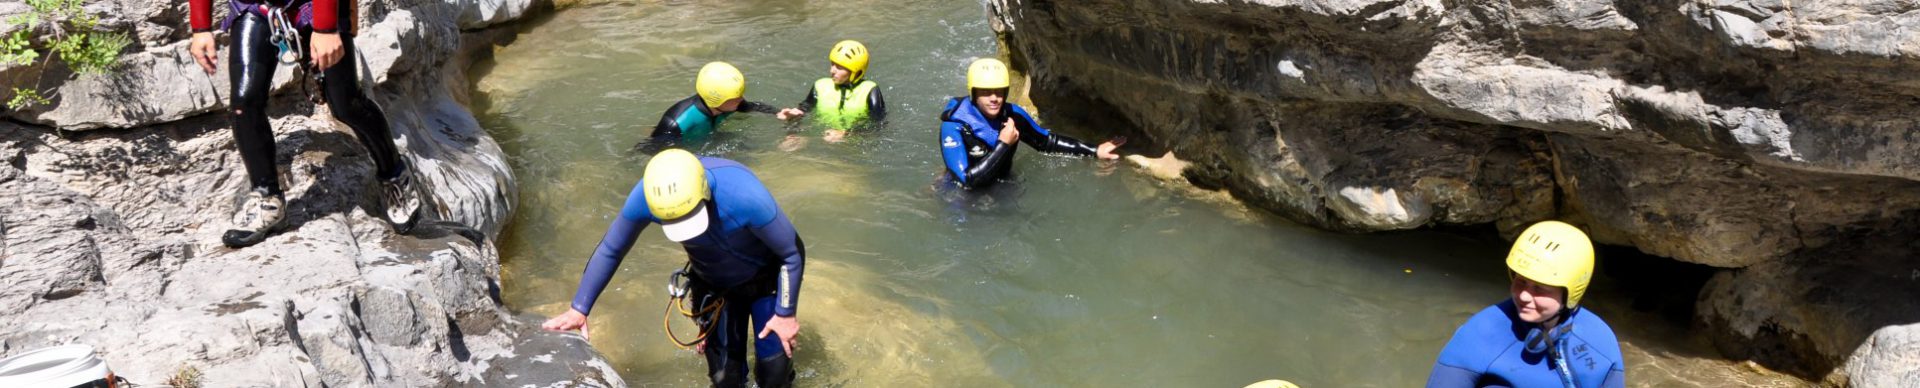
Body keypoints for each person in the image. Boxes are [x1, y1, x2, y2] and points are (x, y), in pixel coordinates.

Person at [542, 149, 806, 388]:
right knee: (724, 380)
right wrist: (580, 308)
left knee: (775, 377)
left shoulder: (745, 195)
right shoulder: (646, 196)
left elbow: (792, 252)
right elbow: (612, 249)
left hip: (767, 282)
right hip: (715, 285)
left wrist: (785, 314)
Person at [188, 0, 423, 247]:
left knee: (346, 104)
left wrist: (325, 28)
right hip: (254, 6)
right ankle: (266, 197)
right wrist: (200, 26)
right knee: (243, 102)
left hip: (317, 6)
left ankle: (394, 171)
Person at [1427, 221, 1627, 388]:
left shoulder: (1600, 342)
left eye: (1539, 288)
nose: (1523, 296)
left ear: (1570, 291)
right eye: (1520, 281)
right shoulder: (1481, 332)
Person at [937, 58, 1121, 190]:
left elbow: (1047, 142)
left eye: (999, 92)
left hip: (1000, 184)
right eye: (986, 92)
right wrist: (1004, 145)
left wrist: (1094, 151)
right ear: (974, 94)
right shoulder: (954, 126)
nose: (994, 98)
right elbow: (967, 181)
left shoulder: (1012, 115)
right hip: (962, 192)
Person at [644, 62, 780, 151]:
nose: (741, 99)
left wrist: (778, 113)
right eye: (735, 98)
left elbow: (756, 106)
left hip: (708, 136)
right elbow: (650, 149)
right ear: (716, 100)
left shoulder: (733, 104)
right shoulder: (675, 123)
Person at [776, 40, 887, 143]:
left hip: (854, 141)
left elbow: (877, 124)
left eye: (839, 67)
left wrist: (846, 134)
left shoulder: (870, 90)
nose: (832, 70)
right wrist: (793, 117)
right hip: (822, 137)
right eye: (832, 64)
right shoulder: (820, 86)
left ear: (856, 72)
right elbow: (805, 108)